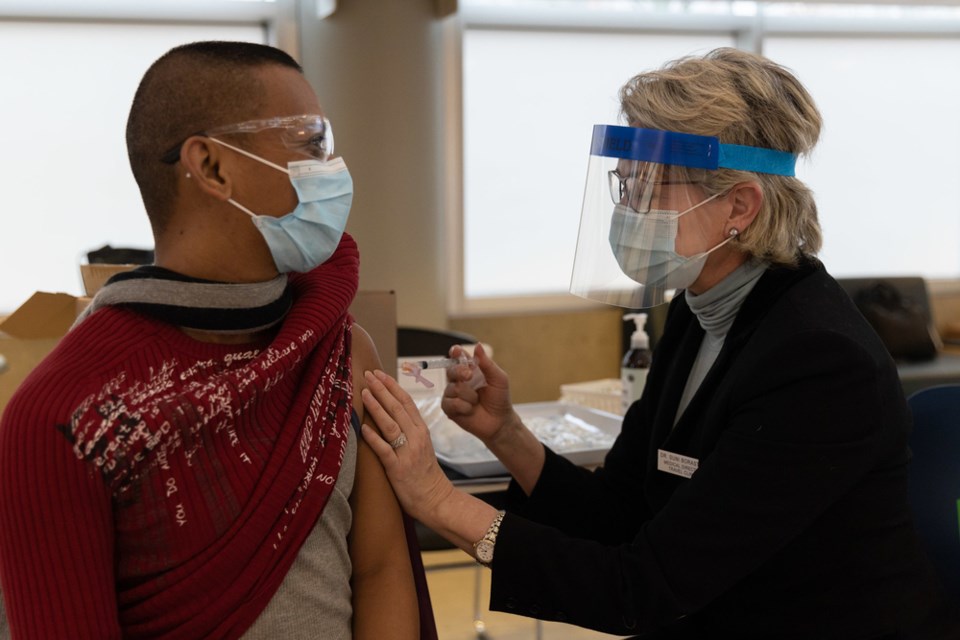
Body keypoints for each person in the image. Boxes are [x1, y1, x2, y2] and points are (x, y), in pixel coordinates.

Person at [359, 48, 958, 639]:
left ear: (739, 206)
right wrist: (507, 433)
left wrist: (438, 501)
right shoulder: (700, 315)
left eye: (649, 185)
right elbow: (623, 513)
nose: (629, 209)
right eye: (626, 184)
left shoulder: (820, 362)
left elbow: (642, 589)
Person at [0, 41, 424, 639]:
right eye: (309, 144)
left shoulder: (340, 352)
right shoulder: (65, 416)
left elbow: (381, 570)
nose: (332, 168)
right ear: (212, 166)